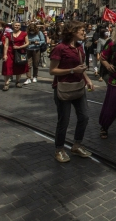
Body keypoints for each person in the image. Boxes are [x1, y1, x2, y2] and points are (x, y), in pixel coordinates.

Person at [49, 21, 93, 163]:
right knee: (64, 120)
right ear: (73, 31)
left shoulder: (80, 47)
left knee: (84, 117)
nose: (84, 33)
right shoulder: (60, 48)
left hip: (78, 86)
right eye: (81, 30)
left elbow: (79, 67)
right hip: (63, 88)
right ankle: (59, 149)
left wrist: (87, 78)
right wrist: (73, 71)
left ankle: (76, 145)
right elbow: (53, 70)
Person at [2, 22, 29, 91]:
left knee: (19, 66)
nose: (17, 26)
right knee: (7, 66)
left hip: (20, 52)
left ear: (20, 26)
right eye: (15, 25)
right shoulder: (8, 34)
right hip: (10, 52)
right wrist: (5, 54)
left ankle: (17, 81)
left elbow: (27, 43)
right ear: (13, 26)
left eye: (18, 25)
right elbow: (6, 45)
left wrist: (19, 47)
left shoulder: (24, 34)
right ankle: (6, 83)